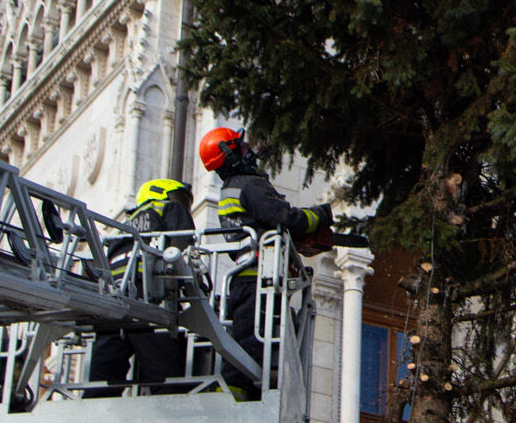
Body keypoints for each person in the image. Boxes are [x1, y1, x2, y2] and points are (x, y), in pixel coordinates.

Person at [198, 127, 358, 395]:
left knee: (251, 338)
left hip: (244, 277)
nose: (248, 151)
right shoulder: (250, 185)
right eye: (242, 148)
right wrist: (320, 215)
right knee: (250, 341)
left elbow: (260, 224)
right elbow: (286, 218)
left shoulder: (230, 189)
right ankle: (234, 396)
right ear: (231, 155)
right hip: (258, 277)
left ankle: (243, 392)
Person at [84, 178, 195, 396]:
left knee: (104, 367)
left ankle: (93, 404)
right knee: (165, 369)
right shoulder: (168, 208)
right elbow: (181, 245)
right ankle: (170, 405)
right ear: (161, 194)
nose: (183, 205)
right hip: (148, 294)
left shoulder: (121, 227)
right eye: (180, 197)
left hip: (114, 296)